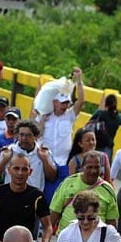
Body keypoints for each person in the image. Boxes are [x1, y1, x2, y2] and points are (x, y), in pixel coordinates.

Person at [0, 153, 54, 242]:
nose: (20, 173)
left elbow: (48, 227)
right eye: (16, 168)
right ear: (9, 170)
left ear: (30, 172)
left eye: (24, 169)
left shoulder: (37, 196)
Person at [36, 67, 85, 204]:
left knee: (60, 200)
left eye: (66, 103)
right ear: (54, 102)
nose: (64, 106)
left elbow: (80, 102)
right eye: (62, 103)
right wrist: (42, 120)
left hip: (63, 164)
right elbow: (37, 136)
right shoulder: (44, 117)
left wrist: (79, 81)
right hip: (45, 163)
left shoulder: (69, 116)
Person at [50, 151, 119, 232]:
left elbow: (112, 223)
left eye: (96, 167)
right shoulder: (68, 183)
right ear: (82, 167)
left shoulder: (108, 190)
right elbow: (54, 213)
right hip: (67, 240)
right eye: (89, 167)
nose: (93, 171)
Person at [54, 191, 121, 242]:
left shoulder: (107, 231)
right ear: (75, 214)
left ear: (96, 213)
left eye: (90, 217)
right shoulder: (66, 233)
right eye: (81, 218)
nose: (85, 222)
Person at [0, 120, 56, 195]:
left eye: (28, 135)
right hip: (10, 196)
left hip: (33, 198)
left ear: (35, 136)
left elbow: (52, 178)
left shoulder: (43, 153)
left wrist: (45, 159)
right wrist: (4, 160)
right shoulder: (9, 150)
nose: (24, 138)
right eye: (21, 135)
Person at [87, 94, 121, 164]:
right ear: (116, 104)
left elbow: (88, 125)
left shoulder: (99, 113)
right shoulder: (120, 118)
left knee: (91, 167)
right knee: (104, 170)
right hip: (107, 147)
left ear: (106, 103)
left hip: (94, 145)